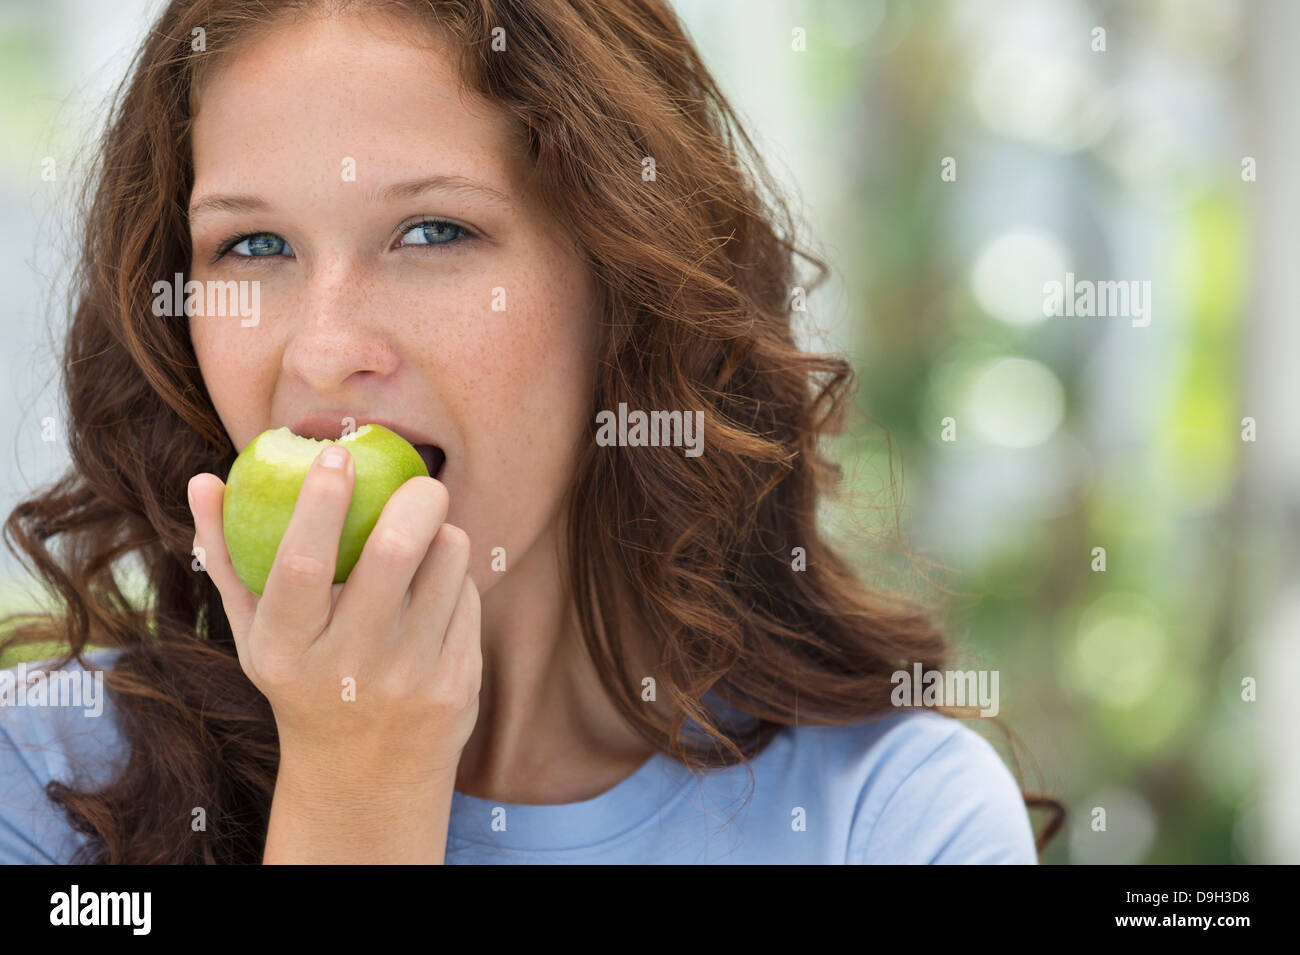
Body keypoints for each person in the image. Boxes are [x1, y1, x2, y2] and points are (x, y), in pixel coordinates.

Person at [0, 0, 1060, 864]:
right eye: (254, 244)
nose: (323, 351)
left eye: (433, 231)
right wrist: (356, 787)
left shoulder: (886, 819)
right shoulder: (42, 785)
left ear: (625, 285)